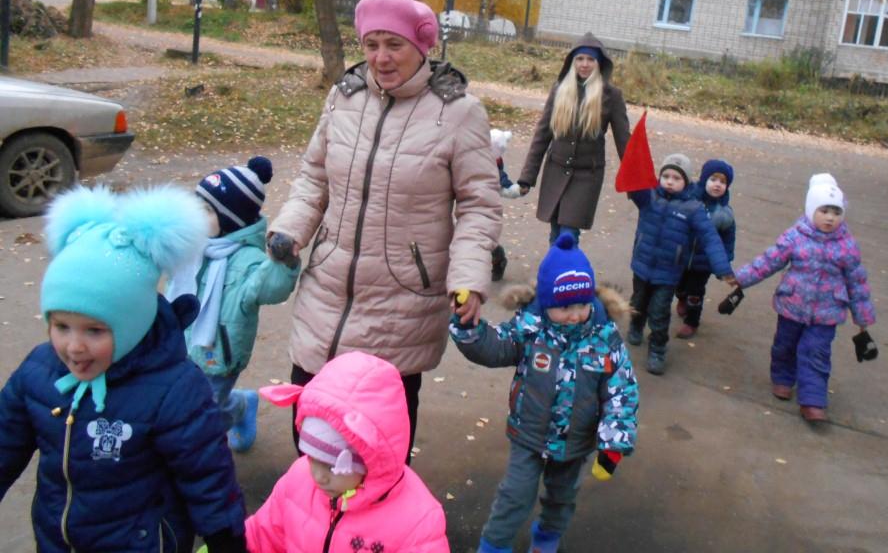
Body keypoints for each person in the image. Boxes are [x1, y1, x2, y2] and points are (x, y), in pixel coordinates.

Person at [267, 0, 502, 456]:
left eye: (393, 44)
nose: (381, 57)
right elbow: (315, 176)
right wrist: (292, 229)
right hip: (329, 286)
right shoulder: (344, 97)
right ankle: (312, 522)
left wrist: (469, 278)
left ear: (422, 45)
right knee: (308, 432)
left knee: (379, 445)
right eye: (371, 44)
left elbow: (479, 204)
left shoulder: (458, 113)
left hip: (401, 302)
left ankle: (377, 527)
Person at [0, 185, 247, 553]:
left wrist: (226, 538)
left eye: (95, 330)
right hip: (58, 539)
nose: (74, 346)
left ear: (132, 325)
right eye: (61, 326)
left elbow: (206, 474)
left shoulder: (173, 389)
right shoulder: (38, 372)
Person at [450, 232, 639, 553]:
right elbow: (494, 347)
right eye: (565, 307)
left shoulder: (604, 336)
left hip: (576, 442)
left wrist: (614, 443)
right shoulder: (531, 327)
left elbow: (622, 390)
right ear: (547, 302)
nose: (575, 313)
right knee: (514, 495)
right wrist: (468, 328)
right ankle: (494, 545)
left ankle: (547, 539)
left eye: (582, 304)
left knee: (562, 498)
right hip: (529, 435)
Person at [245, 351, 448, 553]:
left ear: (372, 460)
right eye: (312, 458)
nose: (318, 476)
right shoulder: (298, 480)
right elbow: (262, 536)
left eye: (332, 466)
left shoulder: (417, 522)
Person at [167, 156, 300, 453]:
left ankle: (207, 452)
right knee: (188, 402)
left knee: (205, 415)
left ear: (230, 219)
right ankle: (240, 403)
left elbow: (271, 288)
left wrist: (283, 261)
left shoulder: (248, 261)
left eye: (206, 211)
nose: (196, 216)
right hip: (183, 343)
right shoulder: (194, 247)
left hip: (220, 353)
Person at [729, 173, 879, 423]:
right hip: (792, 305)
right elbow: (770, 260)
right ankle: (783, 378)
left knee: (815, 352)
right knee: (785, 345)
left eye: (836, 211)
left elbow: (857, 282)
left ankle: (813, 400)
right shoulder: (795, 237)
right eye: (824, 211)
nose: (830, 217)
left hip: (827, 312)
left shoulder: (847, 245)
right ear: (811, 210)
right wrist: (742, 278)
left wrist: (862, 317)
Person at [626, 153, 737, 375]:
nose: (669, 181)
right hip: (642, 264)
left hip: (667, 272)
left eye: (676, 178)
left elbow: (710, 237)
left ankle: (657, 349)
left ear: (686, 181)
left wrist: (722, 267)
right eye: (665, 175)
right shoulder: (648, 198)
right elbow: (630, 177)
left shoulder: (693, 209)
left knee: (659, 312)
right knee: (638, 301)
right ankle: (636, 326)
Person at [517, 33, 630, 243]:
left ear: (598, 63)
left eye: (590, 59)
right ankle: (557, 275)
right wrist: (527, 178)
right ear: (572, 61)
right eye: (580, 59)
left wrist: (636, 185)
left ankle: (563, 274)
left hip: (586, 177)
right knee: (554, 232)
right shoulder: (559, 90)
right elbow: (542, 135)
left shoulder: (611, 95)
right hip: (556, 171)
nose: (584, 64)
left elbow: (625, 142)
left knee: (568, 235)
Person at [675, 158, 737, 339]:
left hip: (704, 262)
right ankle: (681, 297)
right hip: (682, 256)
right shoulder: (688, 199)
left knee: (696, 291)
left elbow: (728, 240)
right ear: (704, 180)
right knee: (678, 286)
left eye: (723, 182)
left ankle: (692, 321)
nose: (717, 185)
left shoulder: (724, 213)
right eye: (713, 179)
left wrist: (724, 263)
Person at [490, 128, 523, 281]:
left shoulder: (494, 169)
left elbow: (506, 188)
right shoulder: (468, 158)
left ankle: (498, 258)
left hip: (489, 211)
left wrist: (516, 190)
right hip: (465, 207)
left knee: (485, 241)